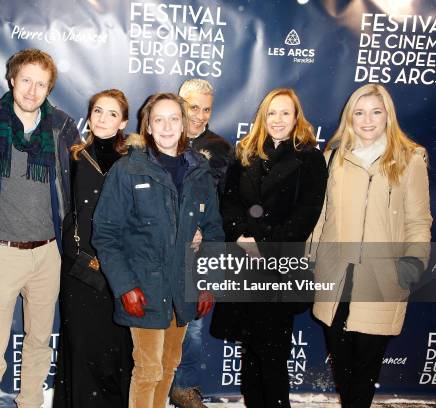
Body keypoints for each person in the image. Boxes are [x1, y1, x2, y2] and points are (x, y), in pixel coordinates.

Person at [92, 92, 224, 408]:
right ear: (148, 126)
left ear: (184, 124)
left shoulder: (200, 171)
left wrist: (206, 281)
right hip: (143, 287)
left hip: (183, 286)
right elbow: (106, 234)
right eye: (158, 120)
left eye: (173, 119)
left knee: (169, 366)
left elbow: (214, 230)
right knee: (148, 370)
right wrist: (125, 286)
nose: (166, 126)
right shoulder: (128, 170)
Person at [0, 49, 80, 408]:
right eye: (26, 80)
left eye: (41, 84)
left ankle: (30, 402)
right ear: (12, 79)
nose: (32, 91)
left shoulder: (61, 126)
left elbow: (81, 182)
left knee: (39, 341)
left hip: (48, 253)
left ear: (49, 89)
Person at [311, 84, 431, 407]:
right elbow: (320, 217)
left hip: (382, 279)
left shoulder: (410, 159)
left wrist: (412, 265)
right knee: (343, 368)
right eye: (359, 113)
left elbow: (419, 221)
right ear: (349, 118)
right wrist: (311, 259)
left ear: (388, 116)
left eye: (376, 112)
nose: (367, 120)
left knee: (364, 371)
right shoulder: (332, 158)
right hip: (336, 279)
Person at [210, 88, 327, 407]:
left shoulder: (310, 158)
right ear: (263, 116)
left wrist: (264, 245)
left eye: (285, 113)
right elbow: (229, 201)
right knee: (249, 349)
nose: (278, 120)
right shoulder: (246, 151)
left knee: (273, 353)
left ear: (296, 118)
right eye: (272, 113)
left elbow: (307, 214)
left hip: (279, 267)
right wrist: (240, 236)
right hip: (244, 265)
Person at [52, 89, 133, 408]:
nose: (103, 118)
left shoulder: (133, 162)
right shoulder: (72, 156)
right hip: (78, 268)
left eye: (112, 114)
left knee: (115, 344)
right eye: (98, 111)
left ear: (123, 121)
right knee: (82, 344)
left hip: (120, 269)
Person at [170, 79, 233, 408]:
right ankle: (152, 383)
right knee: (155, 320)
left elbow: (224, 200)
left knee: (192, 326)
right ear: (180, 104)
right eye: (194, 107)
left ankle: (184, 388)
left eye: (207, 109)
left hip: (198, 249)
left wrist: (204, 234)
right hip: (162, 246)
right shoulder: (162, 135)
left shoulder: (220, 147)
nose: (200, 115)